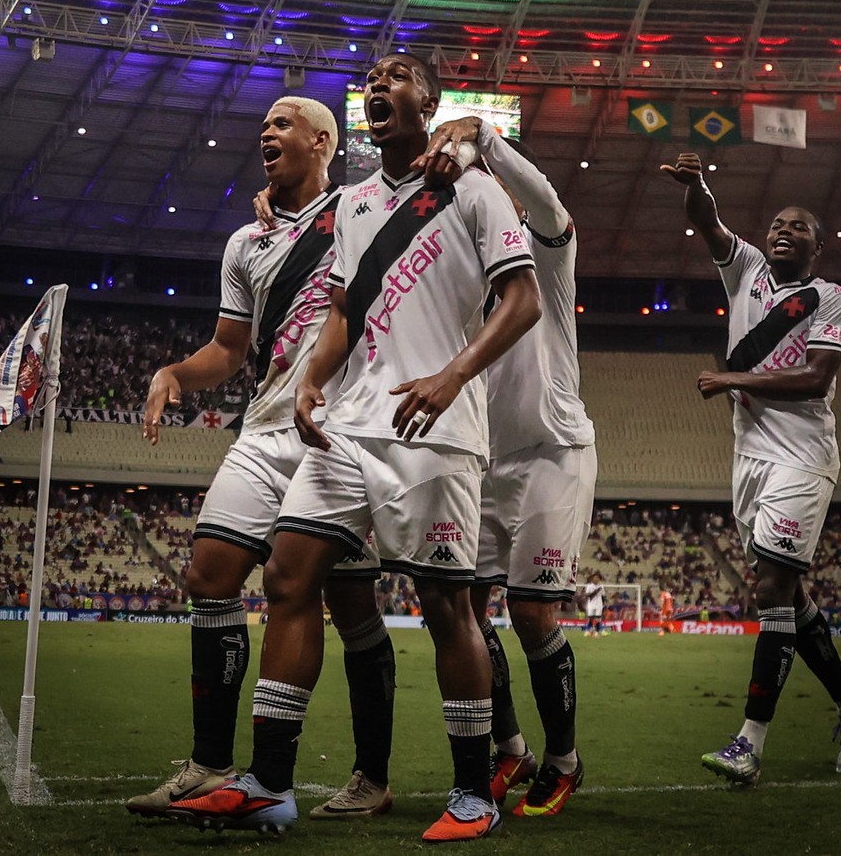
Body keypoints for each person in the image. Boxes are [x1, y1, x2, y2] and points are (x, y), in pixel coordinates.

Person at [169, 51, 542, 841]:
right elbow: (342, 309)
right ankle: (269, 783)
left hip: (435, 427)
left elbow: (523, 300)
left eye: (397, 75)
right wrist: (312, 380)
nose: (378, 83)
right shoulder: (359, 202)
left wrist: (452, 375)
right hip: (347, 424)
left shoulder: (474, 189)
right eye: (373, 76)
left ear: (429, 101)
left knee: (447, 605)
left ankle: (471, 792)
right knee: (287, 574)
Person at [125, 96, 393, 819]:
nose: (265, 132)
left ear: (322, 140)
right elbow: (229, 348)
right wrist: (175, 373)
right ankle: (210, 764)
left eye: (281, 123)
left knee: (350, 605)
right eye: (264, 124)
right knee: (209, 575)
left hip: (339, 432)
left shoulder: (362, 212)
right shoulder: (246, 240)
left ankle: (369, 775)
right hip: (264, 427)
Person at [661, 151, 841, 786]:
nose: (784, 230)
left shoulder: (830, 299)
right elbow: (708, 222)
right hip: (750, 460)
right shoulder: (747, 271)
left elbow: (815, 378)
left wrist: (733, 377)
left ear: (817, 246)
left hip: (802, 460)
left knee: (770, 593)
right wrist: (697, 185)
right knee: (789, 597)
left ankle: (748, 744)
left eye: (799, 227)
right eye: (777, 224)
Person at [416, 119, 596, 819]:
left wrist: (486, 142)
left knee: (531, 612)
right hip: (486, 461)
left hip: (553, 452)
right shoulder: (461, 283)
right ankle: (511, 746)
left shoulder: (546, 258)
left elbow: (550, 205)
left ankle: (564, 759)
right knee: (461, 608)